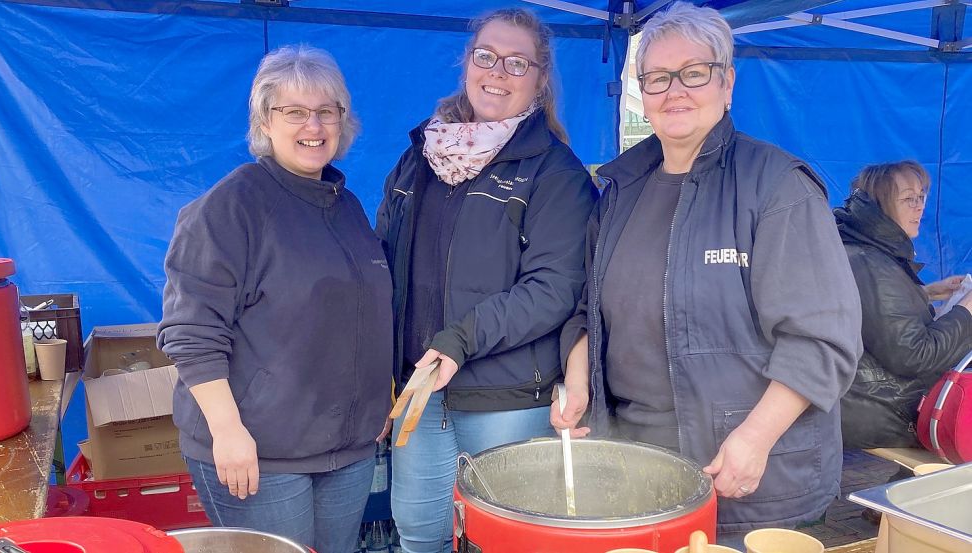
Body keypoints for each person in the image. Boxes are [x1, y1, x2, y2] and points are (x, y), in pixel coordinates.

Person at [551, 1, 862, 543]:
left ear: (727, 83)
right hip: (633, 460)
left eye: (694, 73)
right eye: (658, 78)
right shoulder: (620, 190)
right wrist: (577, 384)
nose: (675, 91)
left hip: (740, 472)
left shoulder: (777, 187)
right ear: (642, 94)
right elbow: (588, 311)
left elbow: (822, 339)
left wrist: (756, 439)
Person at [375, 9, 595, 553]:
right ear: (466, 63)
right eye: (486, 56)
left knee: (507, 542)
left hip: (507, 401)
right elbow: (381, 263)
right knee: (420, 534)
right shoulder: (420, 157)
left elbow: (554, 287)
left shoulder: (556, 173)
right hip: (420, 392)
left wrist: (461, 338)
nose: (498, 72)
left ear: (540, 79)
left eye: (517, 63)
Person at [157, 45, 392, 553]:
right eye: (295, 112)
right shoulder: (231, 207)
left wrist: (374, 405)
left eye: (326, 111)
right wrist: (228, 432)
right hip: (260, 454)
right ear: (266, 120)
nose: (314, 125)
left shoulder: (346, 206)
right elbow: (191, 331)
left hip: (345, 452)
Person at [837, 161, 972, 449]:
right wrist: (967, 310)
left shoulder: (863, 250)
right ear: (880, 205)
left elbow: (875, 316)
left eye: (922, 196)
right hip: (889, 417)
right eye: (909, 198)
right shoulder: (872, 263)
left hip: (871, 410)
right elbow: (914, 356)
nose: (920, 206)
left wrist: (927, 294)